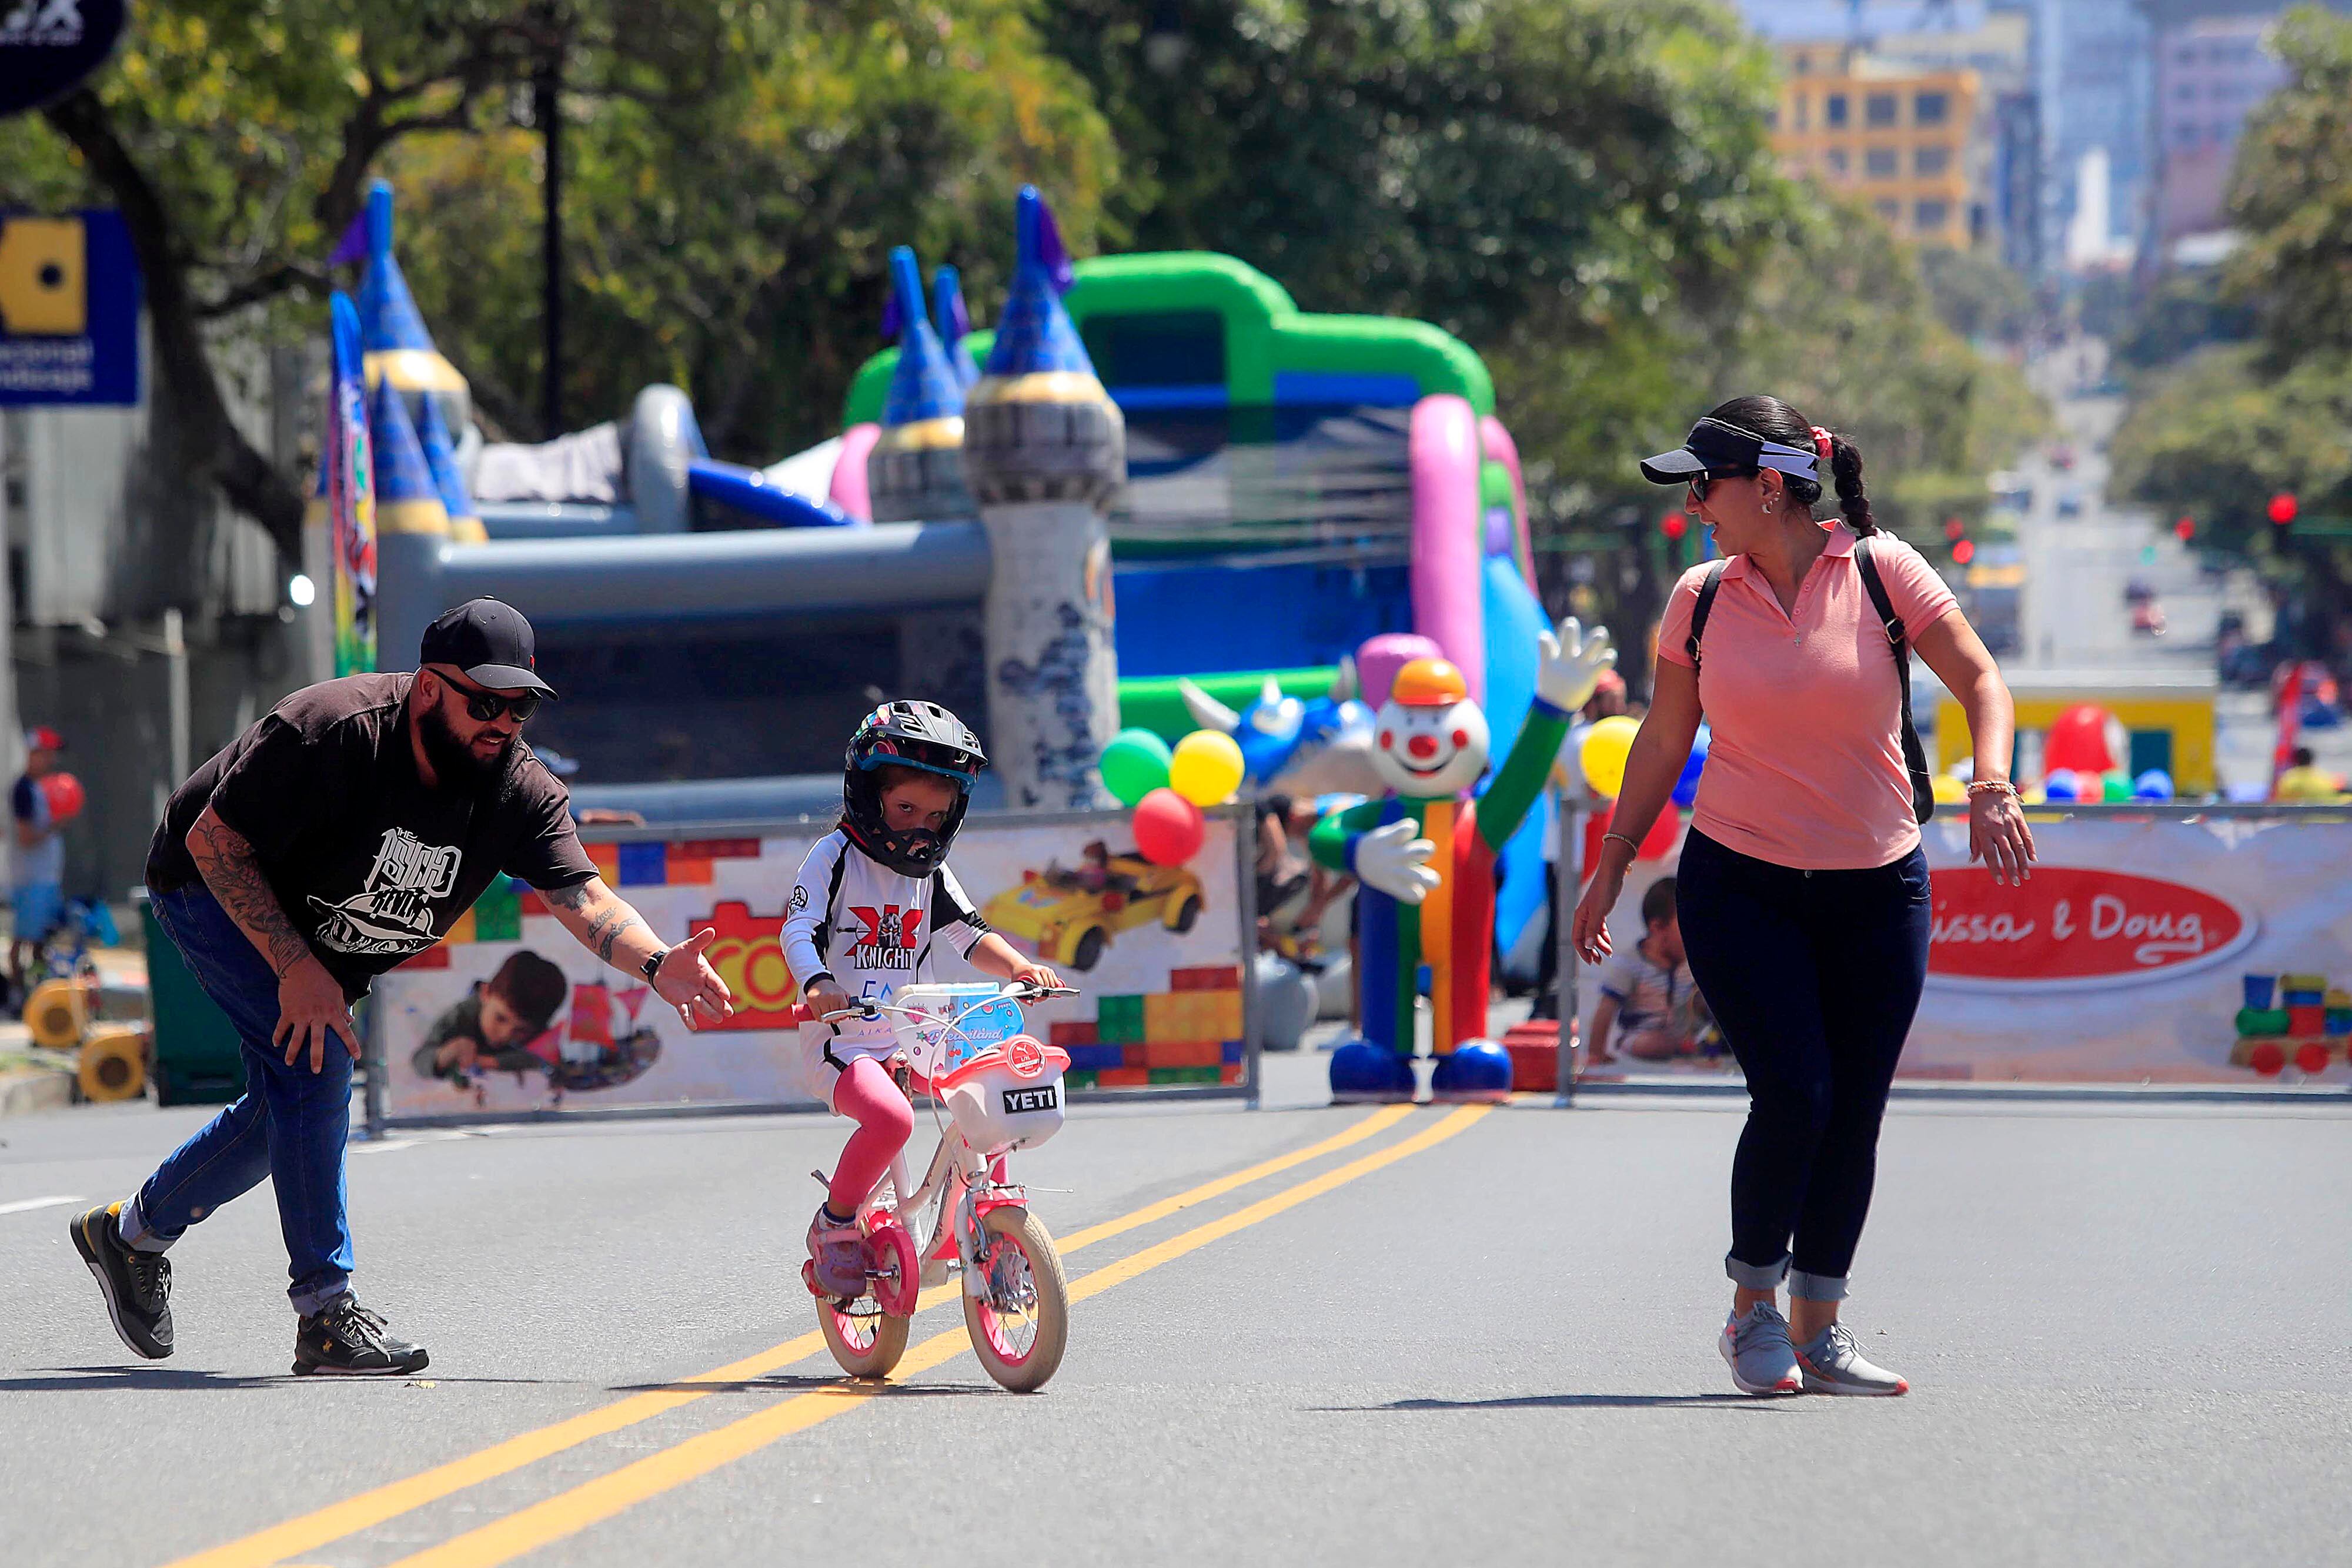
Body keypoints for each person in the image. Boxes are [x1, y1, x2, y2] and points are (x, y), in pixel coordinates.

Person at [70, 599, 735, 1375]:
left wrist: (657, 963)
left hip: (323, 936)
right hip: (211, 887)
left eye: (519, 706)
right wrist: (294, 966)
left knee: (289, 1104)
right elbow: (213, 841)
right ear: (427, 689)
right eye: (483, 702)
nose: (502, 723)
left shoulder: (519, 791)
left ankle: (129, 1235)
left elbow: (581, 896)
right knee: (315, 1064)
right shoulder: (331, 730)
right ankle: (325, 1312)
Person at [1573, 397, 2033, 1399]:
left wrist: (1992, 781)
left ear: (1771, 487)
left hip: (1879, 884)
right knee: (1795, 1092)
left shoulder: (1883, 570)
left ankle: (1818, 1328)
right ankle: (1751, 1312)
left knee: (1854, 1108)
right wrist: (1613, 859)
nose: (1695, 506)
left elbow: (1982, 681)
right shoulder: (1698, 597)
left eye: (1707, 485)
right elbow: (1664, 737)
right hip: (1740, 882)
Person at [783, 701, 1063, 1297]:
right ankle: (835, 1225)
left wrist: (1018, 966)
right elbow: (799, 930)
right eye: (905, 808)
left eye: (936, 815)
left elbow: (969, 934)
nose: (919, 827)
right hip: (844, 1039)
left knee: (988, 1094)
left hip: (915, 1031)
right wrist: (818, 984)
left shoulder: (928, 871)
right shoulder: (834, 857)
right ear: (869, 794)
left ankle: (992, 1214)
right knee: (891, 1119)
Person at [1586, 877, 1697, 1064]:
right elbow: (1606, 1008)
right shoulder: (1632, 963)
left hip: (1681, 1036)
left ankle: (1686, 1046)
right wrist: (1596, 1053)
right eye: (1686, 927)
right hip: (1639, 1036)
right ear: (1658, 928)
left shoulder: (1689, 964)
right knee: (1649, 1044)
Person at [418, 949, 572, 1082]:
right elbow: (420, 1061)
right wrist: (444, 1055)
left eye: (521, 1030)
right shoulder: (460, 1016)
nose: (505, 1034)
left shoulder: (537, 1022)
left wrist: (489, 1062)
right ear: (485, 993)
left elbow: (548, 1059)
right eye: (500, 1018)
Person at [11, 725, 69, 990]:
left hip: (45, 876)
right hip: (30, 877)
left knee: (41, 940)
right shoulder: (23, 789)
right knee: (24, 939)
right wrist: (55, 826)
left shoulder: (40, 787)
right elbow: (25, 837)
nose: (51, 760)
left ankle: (38, 988)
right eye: (45, 753)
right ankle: (17, 993)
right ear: (33, 754)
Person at [2274, 746, 2347, 803]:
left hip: (2299, 817)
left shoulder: (2288, 779)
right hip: (2326, 817)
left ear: (2295, 760)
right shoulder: (2325, 777)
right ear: (2312, 760)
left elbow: (2281, 802)